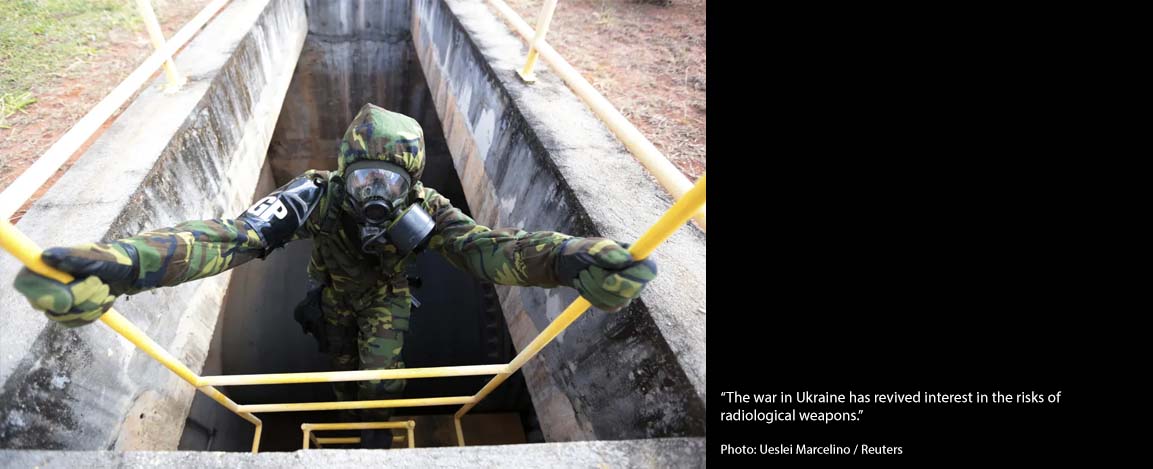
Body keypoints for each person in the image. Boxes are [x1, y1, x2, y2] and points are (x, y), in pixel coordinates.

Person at [12, 103, 656, 448]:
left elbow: (491, 250)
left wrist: (568, 258)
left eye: (391, 180)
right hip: (331, 298)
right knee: (334, 352)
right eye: (364, 177)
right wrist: (128, 266)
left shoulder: (426, 210)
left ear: (413, 181)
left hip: (389, 302)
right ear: (343, 169)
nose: (376, 193)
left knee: (379, 375)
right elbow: (231, 238)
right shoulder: (313, 196)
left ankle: (375, 419)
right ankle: (354, 403)